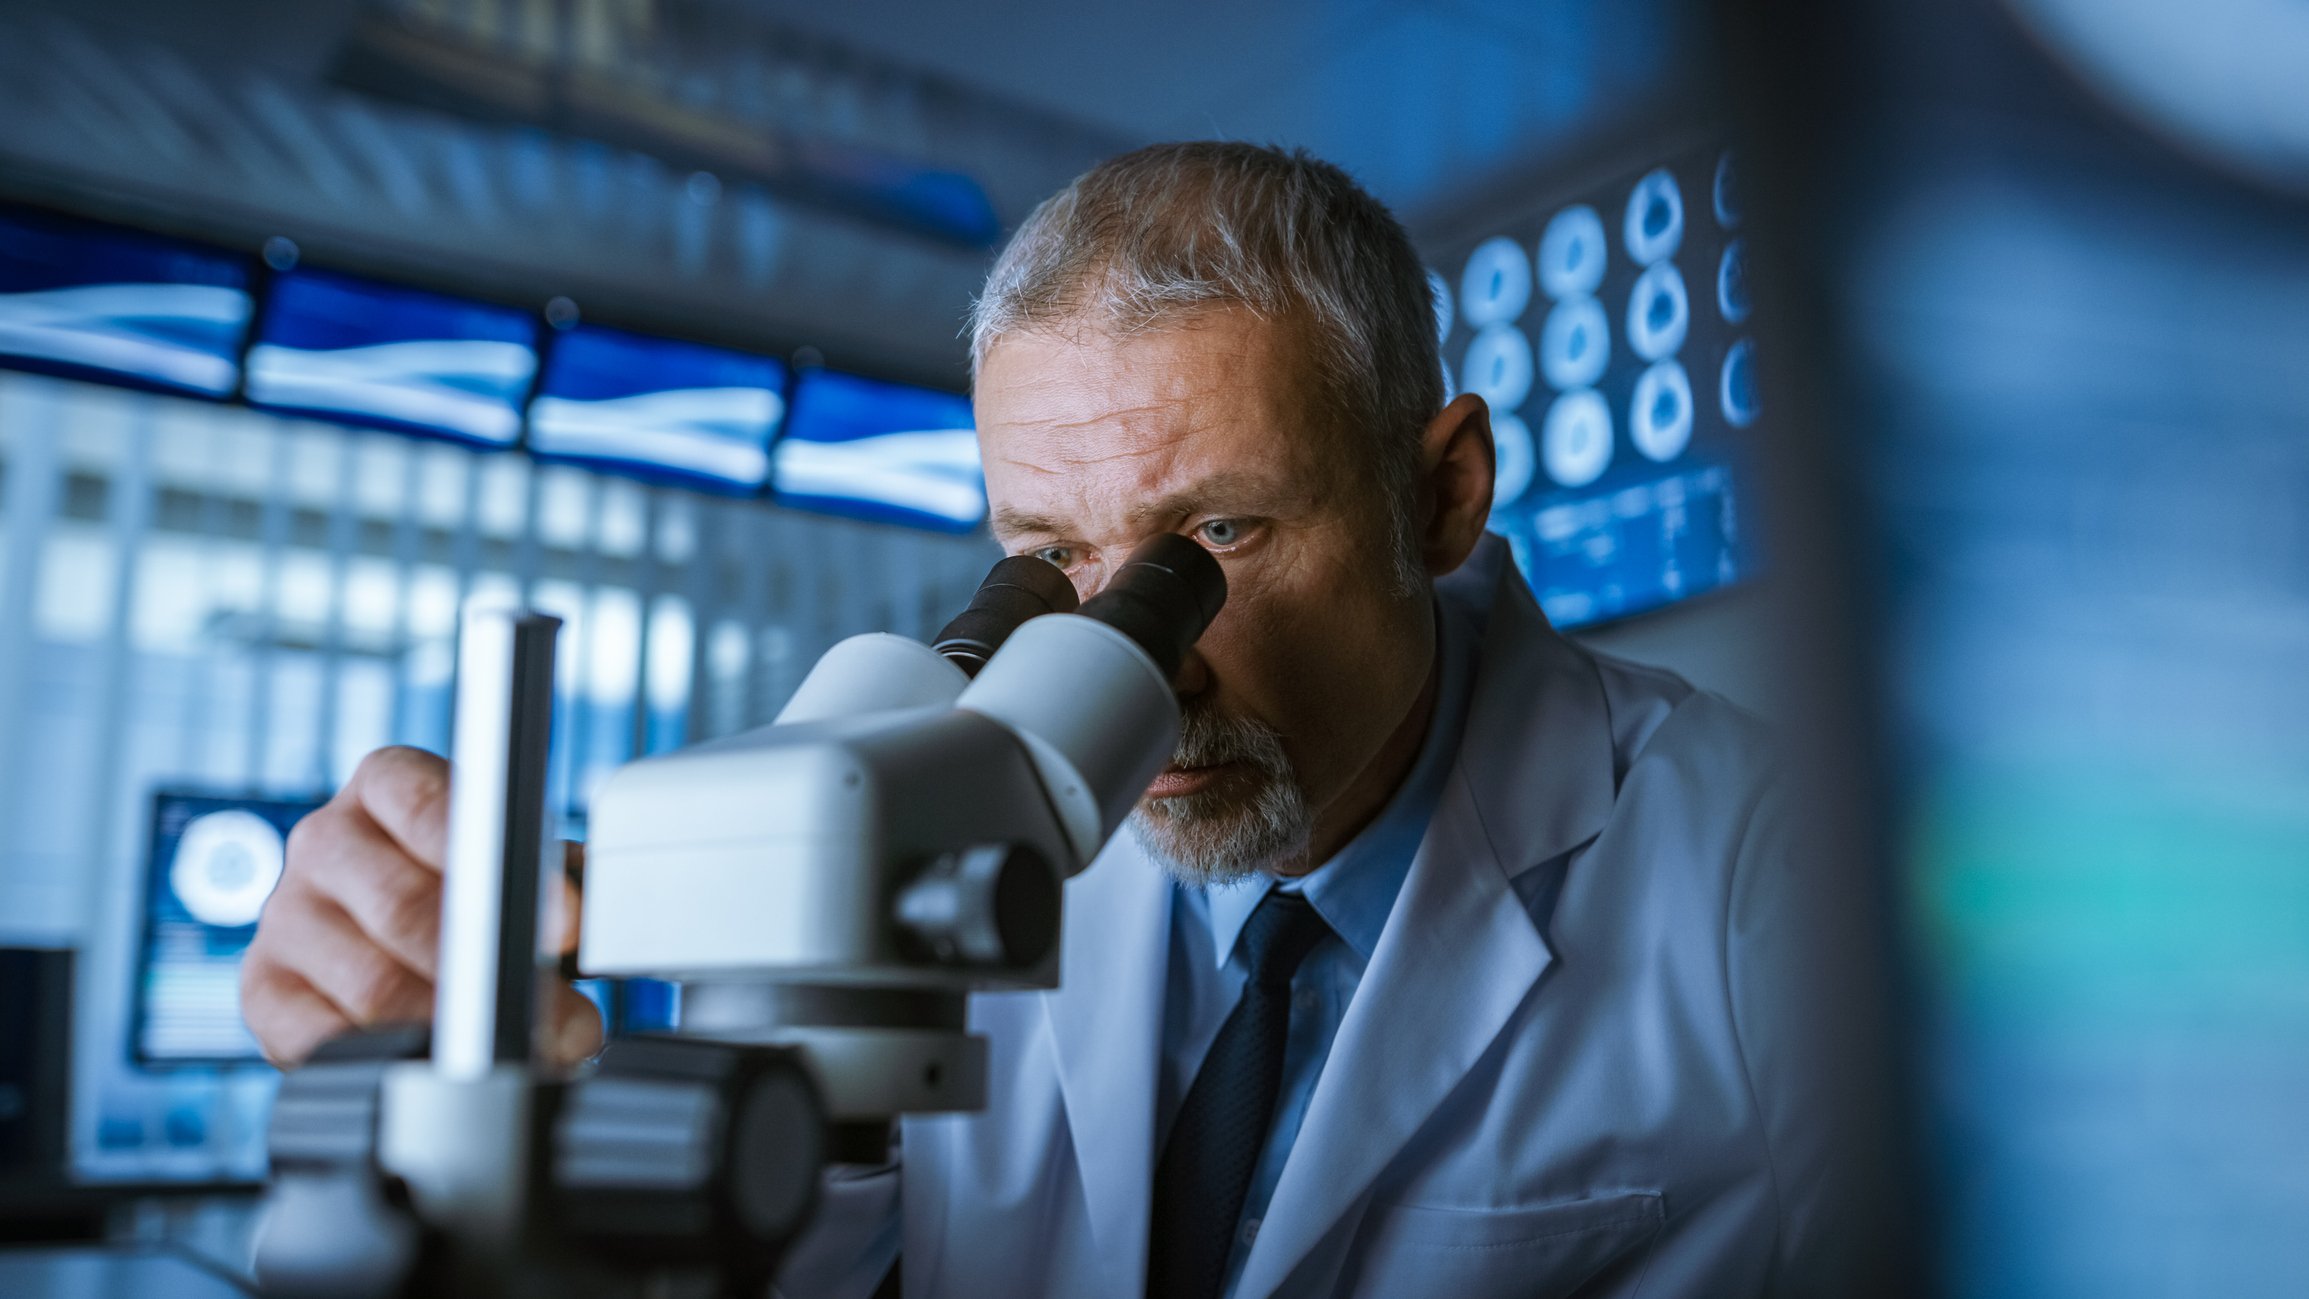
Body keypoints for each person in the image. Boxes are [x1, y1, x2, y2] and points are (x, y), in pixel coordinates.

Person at [242, 142, 1890, 1297]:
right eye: (1045, 560)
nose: (1134, 660)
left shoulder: (1771, 871)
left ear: (1439, 494)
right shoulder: (954, 820)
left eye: (1214, 542)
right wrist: (461, 1070)